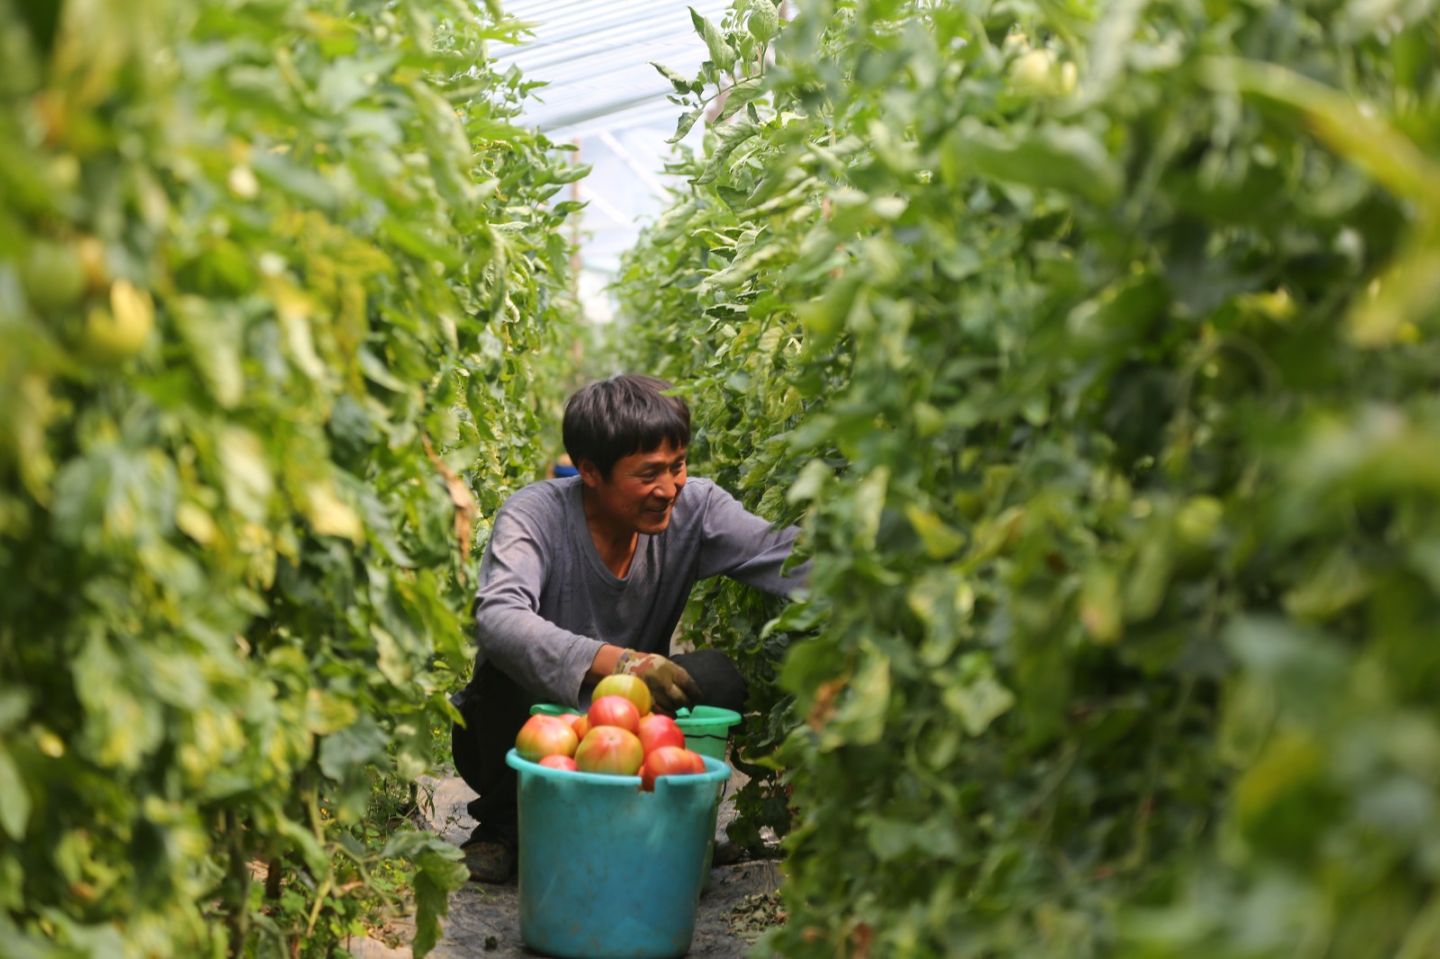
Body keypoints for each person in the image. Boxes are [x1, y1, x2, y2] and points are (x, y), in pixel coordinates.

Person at [450, 373, 807, 882]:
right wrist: (624, 664)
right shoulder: (535, 516)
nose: (669, 489)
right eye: (648, 474)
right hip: (524, 728)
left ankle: (657, 815)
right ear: (590, 471)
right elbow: (499, 619)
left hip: (630, 729)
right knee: (509, 671)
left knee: (718, 678)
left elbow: (786, 555)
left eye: (678, 466)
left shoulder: (695, 509)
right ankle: (505, 826)